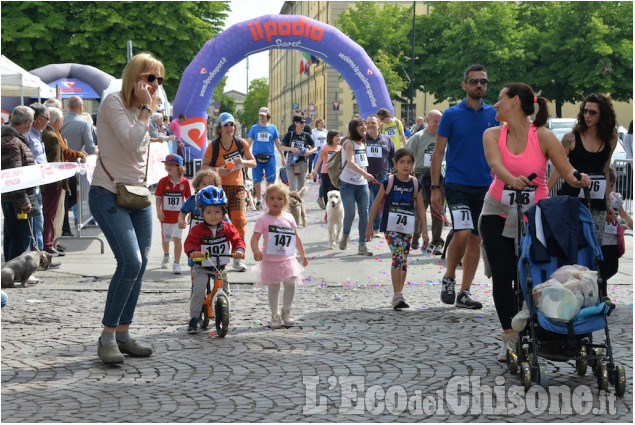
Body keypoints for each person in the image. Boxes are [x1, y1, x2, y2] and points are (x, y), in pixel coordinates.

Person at [479, 83, 591, 362]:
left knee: (530, 273)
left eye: (500, 99)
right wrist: (510, 179)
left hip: (534, 215)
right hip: (497, 210)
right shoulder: (492, 134)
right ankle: (511, 338)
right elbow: (495, 164)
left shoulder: (543, 136)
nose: (495, 104)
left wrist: (580, 178)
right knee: (503, 274)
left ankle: (538, 326)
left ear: (515, 101)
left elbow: (566, 171)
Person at [89, 52, 165, 365]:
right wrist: (147, 111)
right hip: (107, 192)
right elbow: (132, 142)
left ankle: (123, 333)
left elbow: (142, 152)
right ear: (134, 77)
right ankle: (106, 336)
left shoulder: (141, 108)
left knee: (141, 263)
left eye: (159, 80)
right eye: (150, 78)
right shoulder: (113, 103)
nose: (155, 85)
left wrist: (148, 111)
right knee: (130, 261)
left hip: (137, 193)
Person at [430, 64, 499, 310]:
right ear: (464, 85)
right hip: (457, 183)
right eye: (474, 81)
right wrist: (435, 187)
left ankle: (464, 292)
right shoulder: (451, 115)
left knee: (475, 239)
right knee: (461, 231)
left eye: (483, 81)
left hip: (486, 186)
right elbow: (438, 152)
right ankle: (449, 276)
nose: (479, 85)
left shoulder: (494, 114)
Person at [547, 93, 618, 245]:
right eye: (585, 111)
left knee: (594, 246)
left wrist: (608, 202)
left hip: (597, 201)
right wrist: (544, 191)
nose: (587, 115)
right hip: (572, 198)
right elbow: (559, 168)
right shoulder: (570, 138)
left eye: (593, 112)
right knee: (570, 244)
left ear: (603, 115)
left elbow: (605, 170)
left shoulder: (610, 138)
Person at [366, 148, 429, 310]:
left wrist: (424, 232)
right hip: (390, 226)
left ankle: (399, 293)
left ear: (413, 164)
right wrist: (369, 226)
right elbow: (376, 204)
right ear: (395, 163)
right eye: (402, 162)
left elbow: (421, 208)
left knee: (403, 259)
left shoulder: (416, 183)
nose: (406, 165)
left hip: (407, 227)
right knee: (398, 254)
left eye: (409, 162)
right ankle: (397, 294)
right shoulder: (389, 182)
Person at [184, 186, 246, 334]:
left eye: (217, 212)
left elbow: (237, 240)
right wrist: (192, 252)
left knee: (225, 290)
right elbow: (188, 243)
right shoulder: (198, 229)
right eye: (209, 212)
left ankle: (225, 314)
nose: (213, 216)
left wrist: (239, 250)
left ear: (223, 212)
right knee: (198, 290)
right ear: (202, 212)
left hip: (220, 266)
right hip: (202, 266)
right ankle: (193, 318)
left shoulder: (227, 227)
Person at [201, 112, 256, 272]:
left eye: (231, 124)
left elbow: (253, 163)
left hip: (238, 187)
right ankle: (220, 256)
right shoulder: (214, 146)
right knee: (219, 223)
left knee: (238, 221)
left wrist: (243, 161)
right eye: (226, 125)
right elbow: (203, 166)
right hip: (219, 189)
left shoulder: (241, 143)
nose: (229, 127)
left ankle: (238, 257)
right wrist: (218, 170)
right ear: (219, 128)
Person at [250, 183, 308, 329]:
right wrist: (256, 250)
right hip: (270, 261)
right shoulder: (263, 219)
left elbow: (296, 237)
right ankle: (274, 314)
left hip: (287, 259)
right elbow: (255, 237)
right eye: (272, 198)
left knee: (291, 283)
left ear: (286, 201)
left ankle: (286, 310)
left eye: (280, 198)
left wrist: (303, 253)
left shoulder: (289, 217)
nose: (276, 201)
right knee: (274, 287)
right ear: (265, 200)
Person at [42, 107, 87, 257]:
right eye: (61, 121)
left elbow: (63, 152)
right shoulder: (52, 136)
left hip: (55, 182)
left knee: (55, 214)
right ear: (57, 121)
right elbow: (58, 159)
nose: (62, 123)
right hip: (54, 183)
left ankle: (52, 242)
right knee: (52, 214)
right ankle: (49, 244)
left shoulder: (54, 133)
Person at [1, 106, 36, 263]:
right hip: (15, 198)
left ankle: (11, 270)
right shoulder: (11, 141)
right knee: (19, 236)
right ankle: (16, 271)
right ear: (27, 122)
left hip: (12, 196)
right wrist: (23, 201)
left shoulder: (12, 138)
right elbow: (15, 176)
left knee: (14, 235)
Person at [407, 109, 445, 252]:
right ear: (428, 121)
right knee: (419, 209)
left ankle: (437, 241)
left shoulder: (444, 137)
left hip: (439, 176)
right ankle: (416, 237)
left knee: (438, 209)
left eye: (440, 121)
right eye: (435, 120)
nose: (438, 124)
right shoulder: (417, 137)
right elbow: (408, 157)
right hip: (421, 175)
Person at [60, 95, 96, 237]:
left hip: (58, 166)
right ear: (81, 107)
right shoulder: (84, 124)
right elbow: (91, 148)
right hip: (75, 166)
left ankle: (64, 225)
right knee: (74, 196)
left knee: (65, 198)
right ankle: (62, 219)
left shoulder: (60, 121)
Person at [338, 118, 375, 255]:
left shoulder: (363, 144)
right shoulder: (349, 143)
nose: (364, 127)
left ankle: (362, 245)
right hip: (347, 184)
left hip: (362, 185)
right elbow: (350, 162)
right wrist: (365, 175)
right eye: (360, 125)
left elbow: (363, 163)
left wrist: (365, 177)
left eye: (364, 125)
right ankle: (346, 235)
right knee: (350, 214)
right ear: (354, 128)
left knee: (364, 213)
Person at [598, 167, 633, 298]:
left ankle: (598, 285)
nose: (610, 188)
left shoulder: (615, 199)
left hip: (614, 241)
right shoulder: (597, 201)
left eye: (612, 185)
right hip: (602, 241)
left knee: (613, 268)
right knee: (604, 268)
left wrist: (631, 224)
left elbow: (624, 216)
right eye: (608, 185)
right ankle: (603, 295)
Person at [155, 154, 192, 274]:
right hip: (165, 217)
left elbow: (189, 199)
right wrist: (158, 210)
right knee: (165, 240)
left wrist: (190, 213)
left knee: (177, 238)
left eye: (171, 164)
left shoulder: (185, 182)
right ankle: (166, 255)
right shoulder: (162, 181)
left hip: (179, 218)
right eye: (167, 164)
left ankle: (176, 263)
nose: (168, 166)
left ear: (178, 167)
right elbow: (158, 197)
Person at [246, 107, 285, 210]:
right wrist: (244, 154)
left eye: (263, 116)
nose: (262, 117)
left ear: (268, 116)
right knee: (257, 181)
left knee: (271, 182)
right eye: (260, 115)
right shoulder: (254, 128)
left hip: (270, 158)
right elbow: (248, 142)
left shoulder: (273, 128)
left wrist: (283, 156)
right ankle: (258, 200)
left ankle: (268, 200)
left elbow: (278, 144)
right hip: (257, 158)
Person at [365, 114, 395, 237]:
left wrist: (395, 170)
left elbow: (394, 156)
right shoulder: (361, 139)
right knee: (370, 202)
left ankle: (376, 227)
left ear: (379, 124)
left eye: (373, 123)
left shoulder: (387, 139)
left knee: (379, 203)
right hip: (365, 176)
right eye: (368, 123)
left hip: (381, 176)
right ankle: (369, 227)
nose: (370, 125)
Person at [26, 103, 49, 253]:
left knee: (38, 222)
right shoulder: (28, 135)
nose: (49, 122)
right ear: (39, 119)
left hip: (38, 184)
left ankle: (40, 255)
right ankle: (37, 255)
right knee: (35, 223)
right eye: (47, 118)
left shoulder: (37, 134)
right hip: (31, 184)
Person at [281, 115, 316, 193]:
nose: (303, 124)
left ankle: (300, 203)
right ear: (295, 123)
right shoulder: (290, 135)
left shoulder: (306, 135)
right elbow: (281, 147)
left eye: (304, 122)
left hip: (302, 162)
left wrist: (309, 152)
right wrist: (291, 149)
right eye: (301, 122)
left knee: (301, 187)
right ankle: (293, 204)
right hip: (290, 163)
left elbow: (315, 147)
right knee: (292, 187)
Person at [312, 130, 342, 208]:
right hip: (326, 173)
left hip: (337, 174)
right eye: (336, 136)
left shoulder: (341, 148)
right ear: (331, 138)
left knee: (336, 192)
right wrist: (315, 170)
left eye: (339, 136)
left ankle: (336, 210)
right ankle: (328, 210)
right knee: (327, 192)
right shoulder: (325, 148)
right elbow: (319, 159)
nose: (339, 138)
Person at [311, 117, 328, 205]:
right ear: (317, 124)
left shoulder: (326, 131)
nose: (322, 124)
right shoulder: (313, 131)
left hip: (325, 152)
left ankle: (321, 197)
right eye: (320, 123)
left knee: (324, 176)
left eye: (323, 123)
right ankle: (316, 174)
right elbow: (311, 142)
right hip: (317, 152)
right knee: (321, 174)